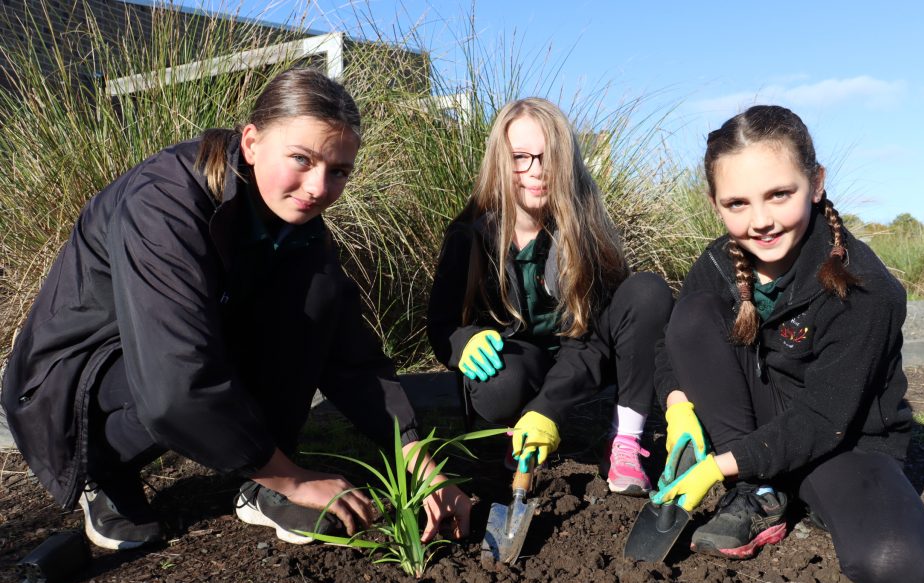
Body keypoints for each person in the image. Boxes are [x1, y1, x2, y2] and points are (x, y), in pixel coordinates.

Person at [2, 68, 470, 551]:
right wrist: (296, 481)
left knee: (316, 300)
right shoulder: (163, 203)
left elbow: (349, 353)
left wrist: (421, 463)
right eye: (302, 159)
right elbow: (174, 383)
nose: (317, 187)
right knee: (180, 373)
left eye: (338, 171)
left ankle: (263, 474)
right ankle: (100, 470)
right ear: (251, 142)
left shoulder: (297, 224)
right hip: (75, 384)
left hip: (172, 356)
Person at [651, 105, 924, 583]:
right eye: (737, 203)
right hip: (756, 425)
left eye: (779, 194)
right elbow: (669, 346)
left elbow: (823, 419)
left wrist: (718, 467)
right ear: (715, 204)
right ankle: (759, 491)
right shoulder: (718, 262)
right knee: (692, 314)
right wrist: (677, 406)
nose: (761, 221)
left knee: (899, 569)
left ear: (816, 183)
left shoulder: (864, 288)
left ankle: (777, 480)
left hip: (841, 440)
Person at [427, 98, 672, 494]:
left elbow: (590, 342)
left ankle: (625, 439)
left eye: (549, 157)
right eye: (520, 157)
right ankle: (520, 427)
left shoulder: (585, 232)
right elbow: (441, 324)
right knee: (500, 385)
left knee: (649, 291)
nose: (537, 170)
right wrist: (463, 341)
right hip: (523, 363)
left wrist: (549, 408)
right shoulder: (468, 237)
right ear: (500, 161)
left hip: (589, 357)